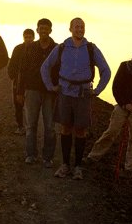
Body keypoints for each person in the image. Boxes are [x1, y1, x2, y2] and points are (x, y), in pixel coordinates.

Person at [40, 17, 110, 180]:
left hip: (83, 94)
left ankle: (77, 167)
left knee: (80, 130)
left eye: (82, 26)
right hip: (65, 92)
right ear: (70, 29)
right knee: (65, 128)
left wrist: (98, 90)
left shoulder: (91, 48)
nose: (80, 29)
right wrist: (50, 86)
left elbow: (106, 70)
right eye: (77, 26)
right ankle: (65, 165)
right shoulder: (62, 47)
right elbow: (45, 67)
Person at [85, 41, 132, 177]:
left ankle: (130, 168)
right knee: (112, 132)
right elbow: (116, 87)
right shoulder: (124, 66)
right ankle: (93, 156)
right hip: (122, 106)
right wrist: (124, 103)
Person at [16, 19, 57, 167]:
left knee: (50, 127)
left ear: (50, 30)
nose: (44, 31)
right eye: (41, 28)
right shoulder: (30, 48)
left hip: (50, 92)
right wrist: (19, 91)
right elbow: (22, 69)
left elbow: (60, 69)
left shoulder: (56, 48)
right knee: (31, 125)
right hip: (32, 90)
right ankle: (31, 154)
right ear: (37, 30)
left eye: (46, 28)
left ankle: (47, 157)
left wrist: (57, 87)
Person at [7, 28, 35, 135]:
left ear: (33, 37)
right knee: (18, 105)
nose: (28, 39)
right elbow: (12, 64)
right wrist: (13, 77)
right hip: (18, 82)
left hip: (31, 83)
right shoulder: (18, 49)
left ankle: (30, 127)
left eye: (30, 37)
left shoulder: (36, 49)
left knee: (30, 106)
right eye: (26, 37)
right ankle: (20, 126)